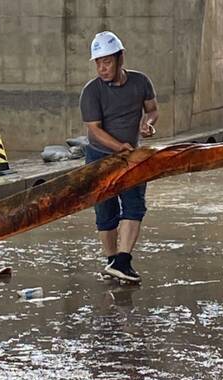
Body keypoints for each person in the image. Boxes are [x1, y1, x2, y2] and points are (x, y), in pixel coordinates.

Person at [80, 31, 159, 283]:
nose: (102, 68)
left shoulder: (140, 82)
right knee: (105, 212)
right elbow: (94, 129)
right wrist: (119, 147)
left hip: (131, 155)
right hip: (99, 156)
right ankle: (112, 262)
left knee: (135, 206)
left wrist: (149, 123)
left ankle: (123, 261)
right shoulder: (91, 92)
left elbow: (153, 109)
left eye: (107, 62)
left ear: (120, 58)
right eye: (98, 63)